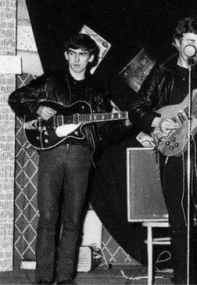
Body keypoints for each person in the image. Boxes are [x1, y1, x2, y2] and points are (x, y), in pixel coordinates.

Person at [8, 34, 129, 284]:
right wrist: (35, 109)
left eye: (82, 54)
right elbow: (16, 97)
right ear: (66, 55)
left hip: (81, 156)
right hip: (51, 153)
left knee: (73, 219)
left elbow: (106, 131)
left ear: (91, 58)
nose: (77, 59)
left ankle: (65, 278)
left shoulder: (97, 92)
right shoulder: (51, 81)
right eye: (72, 53)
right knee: (48, 217)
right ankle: (43, 278)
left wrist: (128, 123)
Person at [129, 17, 197, 284]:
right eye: (189, 42)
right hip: (173, 152)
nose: (195, 49)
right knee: (180, 224)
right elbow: (136, 108)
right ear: (177, 43)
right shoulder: (162, 72)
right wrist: (157, 121)